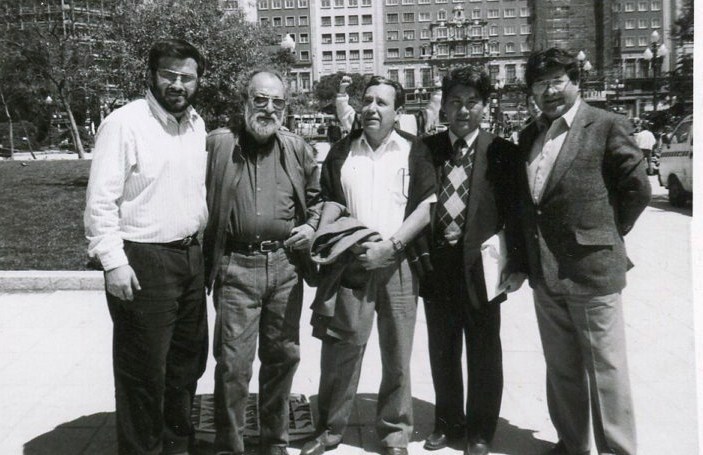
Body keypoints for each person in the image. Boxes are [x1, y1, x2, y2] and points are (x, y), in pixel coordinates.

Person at [516, 48, 651, 455]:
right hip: (547, 271)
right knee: (562, 370)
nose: (549, 90)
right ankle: (572, 444)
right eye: (540, 83)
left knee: (605, 370)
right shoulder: (529, 134)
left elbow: (637, 189)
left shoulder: (606, 124)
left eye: (558, 80)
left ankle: (618, 450)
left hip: (592, 270)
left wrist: (608, 233)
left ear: (577, 81)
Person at [84, 38, 208, 455]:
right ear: (151, 76)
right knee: (143, 374)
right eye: (169, 75)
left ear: (196, 81)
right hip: (144, 262)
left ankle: (175, 445)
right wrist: (113, 263)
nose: (178, 84)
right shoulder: (124, 123)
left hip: (190, 259)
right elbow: (100, 202)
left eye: (186, 76)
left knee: (186, 364)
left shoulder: (196, 124)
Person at [300, 77, 436, 455]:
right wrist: (324, 240)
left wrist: (391, 247)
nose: (373, 108)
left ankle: (395, 434)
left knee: (398, 354)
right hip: (352, 263)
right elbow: (330, 199)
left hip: (398, 262)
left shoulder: (415, 151)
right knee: (342, 350)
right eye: (368, 101)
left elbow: (426, 207)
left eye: (382, 103)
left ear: (398, 112)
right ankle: (329, 430)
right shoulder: (343, 151)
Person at [202, 69, 323, 455]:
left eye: (277, 102)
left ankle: (274, 442)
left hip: (286, 266)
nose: (268, 109)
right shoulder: (218, 145)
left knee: (283, 358)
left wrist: (312, 227)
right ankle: (229, 444)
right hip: (236, 266)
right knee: (234, 365)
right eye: (260, 100)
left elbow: (321, 200)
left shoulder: (297, 148)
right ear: (245, 103)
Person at [419, 65, 526, 455]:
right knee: (442, 351)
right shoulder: (427, 150)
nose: (463, 110)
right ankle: (447, 424)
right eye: (455, 102)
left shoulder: (503, 152)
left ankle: (481, 431)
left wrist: (518, 265)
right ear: (444, 107)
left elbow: (517, 213)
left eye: (472, 102)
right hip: (438, 269)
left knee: (484, 352)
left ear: (486, 106)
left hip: (483, 269)